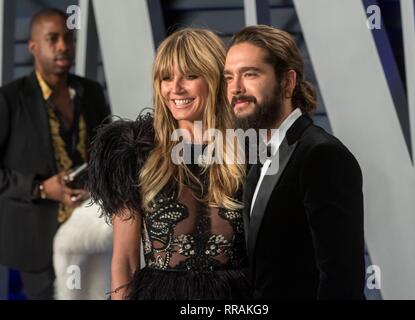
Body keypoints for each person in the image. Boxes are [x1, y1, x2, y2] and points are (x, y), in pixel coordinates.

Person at [88, 28, 249, 300]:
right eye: (166, 78)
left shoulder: (251, 150)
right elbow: (125, 261)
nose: (175, 89)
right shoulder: (135, 151)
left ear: (215, 79)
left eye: (190, 76)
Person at [224, 25, 365, 300]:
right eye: (229, 77)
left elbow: (341, 281)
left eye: (250, 74)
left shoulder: (321, 155)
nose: (236, 88)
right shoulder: (259, 163)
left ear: (287, 82)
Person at [0, 8, 110, 299]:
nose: (63, 46)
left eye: (68, 38)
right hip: (38, 240)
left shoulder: (92, 92)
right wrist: (39, 188)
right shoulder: (9, 99)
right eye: (53, 39)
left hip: (91, 231)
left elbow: (108, 153)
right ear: (33, 46)